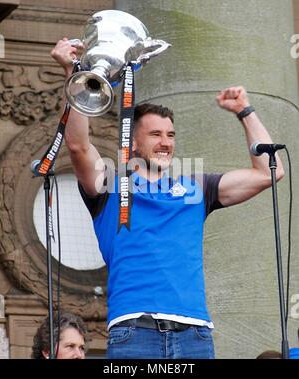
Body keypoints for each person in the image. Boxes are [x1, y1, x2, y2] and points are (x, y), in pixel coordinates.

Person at [51, 38, 284, 359]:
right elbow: (78, 146)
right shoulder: (110, 183)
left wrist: (245, 111)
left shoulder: (197, 188)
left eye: (171, 135)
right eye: (155, 135)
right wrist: (73, 72)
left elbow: (268, 172)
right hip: (135, 332)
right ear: (132, 144)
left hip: (195, 334)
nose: (165, 143)